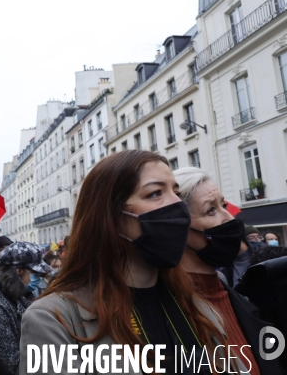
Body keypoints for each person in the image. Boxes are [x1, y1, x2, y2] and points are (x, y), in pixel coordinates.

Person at [19, 150, 249, 374]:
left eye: (176, 192)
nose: (177, 205)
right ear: (111, 217)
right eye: (155, 193)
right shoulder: (53, 320)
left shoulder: (197, 306)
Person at [174, 166, 282, 374]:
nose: (229, 218)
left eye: (223, 205)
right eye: (211, 210)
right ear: (179, 228)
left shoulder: (228, 290)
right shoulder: (173, 308)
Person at [0, 242, 51, 375]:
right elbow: (10, 362)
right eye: (35, 273)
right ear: (19, 271)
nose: (38, 278)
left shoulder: (14, 293)